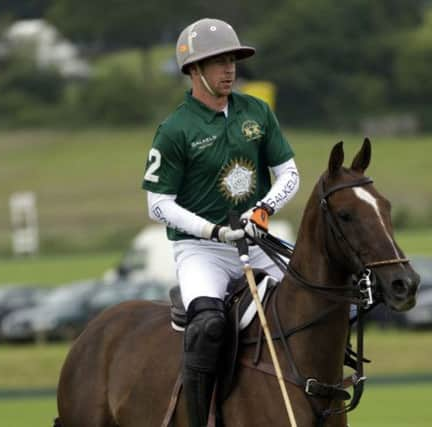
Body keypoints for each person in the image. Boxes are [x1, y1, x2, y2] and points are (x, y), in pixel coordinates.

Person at [141, 18, 299, 427]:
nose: (229, 69)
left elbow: (290, 174)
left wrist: (262, 211)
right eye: (217, 62)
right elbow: (157, 203)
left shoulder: (257, 111)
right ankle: (199, 418)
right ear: (194, 70)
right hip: (202, 250)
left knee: (316, 299)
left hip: (256, 242)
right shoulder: (175, 129)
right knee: (208, 326)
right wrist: (213, 230)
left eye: (232, 59)